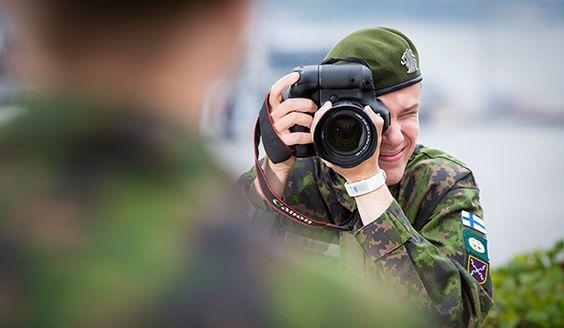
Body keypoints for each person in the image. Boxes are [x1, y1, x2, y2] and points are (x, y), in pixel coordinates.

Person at [0, 3, 423, 327]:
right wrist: (272, 174)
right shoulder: (323, 310)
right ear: (237, 22)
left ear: (16, 11)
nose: (392, 134)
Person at [240, 27, 493, 326]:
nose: (396, 136)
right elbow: (204, 279)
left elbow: (460, 316)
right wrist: (272, 176)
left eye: (409, 114)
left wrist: (368, 186)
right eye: (378, 118)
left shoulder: (440, 184)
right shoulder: (292, 176)